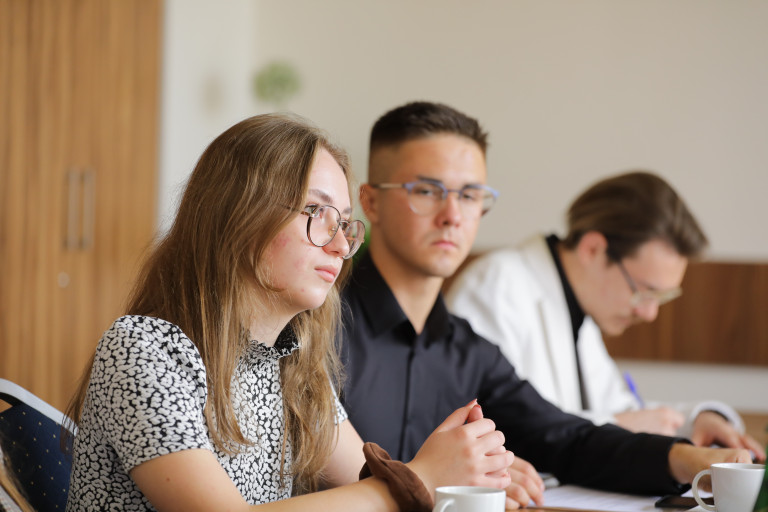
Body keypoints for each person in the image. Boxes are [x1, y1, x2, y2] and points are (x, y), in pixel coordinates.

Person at [63, 113, 514, 511]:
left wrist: (458, 474)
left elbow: (371, 484)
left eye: (343, 223)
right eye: (316, 212)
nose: (340, 246)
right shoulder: (144, 349)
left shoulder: (294, 365)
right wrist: (420, 478)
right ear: (238, 214)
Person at [338, 101, 753, 510]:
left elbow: (565, 437)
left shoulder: (469, 351)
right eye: (427, 191)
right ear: (371, 202)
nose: (452, 215)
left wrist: (685, 459)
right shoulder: (319, 328)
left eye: (469, 195)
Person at [445, 171, 766, 459]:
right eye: (644, 291)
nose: (650, 313)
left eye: (662, 297)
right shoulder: (495, 286)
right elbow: (492, 430)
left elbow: (621, 409)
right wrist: (617, 426)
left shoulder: (581, 306)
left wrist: (700, 420)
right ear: (593, 249)